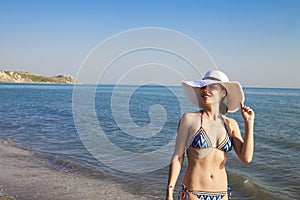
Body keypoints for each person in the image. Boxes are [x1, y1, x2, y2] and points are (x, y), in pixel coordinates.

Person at [166, 70, 254, 200]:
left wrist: (249, 124)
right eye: (203, 86)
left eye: (212, 86)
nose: (205, 90)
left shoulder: (231, 124)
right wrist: (169, 191)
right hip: (193, 192)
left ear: (223, 92)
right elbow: (178, 157)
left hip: (222, 194)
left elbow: (246, 157)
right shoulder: (189, 119)